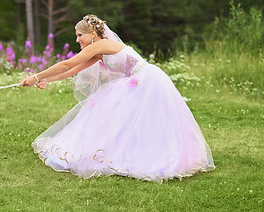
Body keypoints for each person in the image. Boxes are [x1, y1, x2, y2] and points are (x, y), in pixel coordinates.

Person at [20, 14, 215, 182]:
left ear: (92, 34)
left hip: (146, 80)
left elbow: (66, 63)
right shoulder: (99, 51)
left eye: (80, 35)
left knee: (143, 122)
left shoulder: (102, 44)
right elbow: (71, 70)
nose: (77, 40)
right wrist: (47, 79)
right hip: (134, 81)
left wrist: (36, 76)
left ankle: (152, 159)